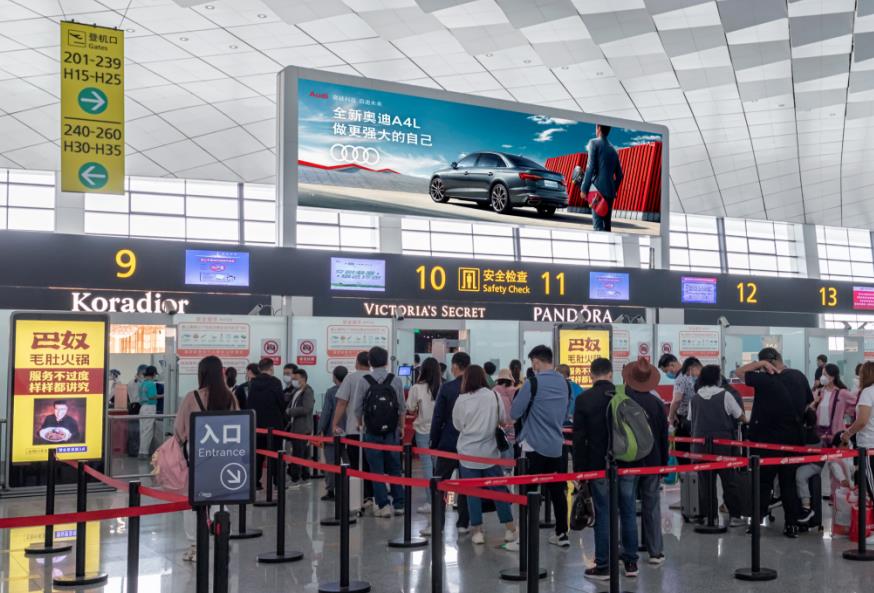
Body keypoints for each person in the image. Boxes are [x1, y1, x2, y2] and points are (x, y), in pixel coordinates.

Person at [573, 357, 639, 579]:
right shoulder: (626, 395)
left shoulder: (584, 399)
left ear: (591, 375)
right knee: (628, 511)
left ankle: (603, 565)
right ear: (611, 374)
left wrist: (580, 472)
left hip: (598, 465)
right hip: (627, 463)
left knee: (603, 513)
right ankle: (631, 563)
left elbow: (579, 439)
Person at [737, 347, 812, 537]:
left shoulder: (764, 379)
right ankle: (791, 525)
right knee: (788, 483)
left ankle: (756, 523)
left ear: (767, 364)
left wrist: (761, 364)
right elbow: (808, 405)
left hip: (766, 442)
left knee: (763, 483)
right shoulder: (799, 377)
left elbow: (739, 372)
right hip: (793, 440)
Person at [175, 355, 239, 561]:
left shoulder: (192, 397)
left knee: (193, 501)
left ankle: (195, 546)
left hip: (197, 457)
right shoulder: (230, 397)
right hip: (224, 456)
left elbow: (179, 430)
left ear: (201, 374)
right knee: (218, 496)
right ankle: (224, 533)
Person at [510, 345, 570, 548]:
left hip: (532, 446)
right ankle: (562, 534)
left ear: (536, 361)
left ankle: (523, 537)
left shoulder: (532, 383)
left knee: (528, 493)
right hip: (556, 446)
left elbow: (515, 413)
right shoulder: (564, 383)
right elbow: (564, 414)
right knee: (558, 492)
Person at [452, 365, 517, 546]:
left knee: (472, 493)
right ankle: (509, 528)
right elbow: (503, 419)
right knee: (499, 491)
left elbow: (457, 425)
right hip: (490, 453)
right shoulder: (493, 396)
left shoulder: (462, 400)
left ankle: (477, 531)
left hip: (467, 453)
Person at [623, 358, 669, 565]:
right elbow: (663, 437)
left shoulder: (621, 401)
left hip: (627, 461)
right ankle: (655, 552)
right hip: (652, 461)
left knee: (627, 507)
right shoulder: (656, 404)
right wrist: (663, 464)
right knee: (652, 506)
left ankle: (627, 551)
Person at [352, 346, 406, 517]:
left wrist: (360, 424)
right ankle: (399, 504)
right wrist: (401, 427)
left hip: (371, 432)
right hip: (391, 432)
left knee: (376, 470)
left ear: (370, 362)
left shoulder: (364, 380)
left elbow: (357, 408)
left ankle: (383, 506)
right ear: (386, 360)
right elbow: (402, 407)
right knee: (395, 468)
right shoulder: (395, 380)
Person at [690, 364, 746, 527]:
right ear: (717, 378)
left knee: (705, 484)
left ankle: (711, 517)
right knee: (729, 481)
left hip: (700, 447)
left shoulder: (695, 398)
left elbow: (691, 419)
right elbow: (740, 416)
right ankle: (735, 516)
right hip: (723, 447)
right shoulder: (725, 395)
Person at [425, 351, 472, 536]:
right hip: (470, 444)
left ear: (454, 366)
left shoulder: (447, 388)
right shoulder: (478, 389)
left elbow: (438, 418)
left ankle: (438, 524)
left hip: (448, 443)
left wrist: (433, 441)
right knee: (466, 484)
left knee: (440, 483)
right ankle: (464, 523)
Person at [333, 351, 375, 508]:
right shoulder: (376, 377)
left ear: (357, 362)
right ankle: (373, 496)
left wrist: (334, 424)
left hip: (354, 429)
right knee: (372, 464)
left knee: (356, 465)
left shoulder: (351, 378)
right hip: (374, 430)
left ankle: (360, 497)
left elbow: (342, 403)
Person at [406, 357, 442, 513]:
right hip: (439, 431)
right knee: (439, 466)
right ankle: (444, 500)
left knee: (427, 466)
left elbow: (410, 408)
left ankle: (430, 501)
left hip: (422, 431)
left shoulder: (417, 388)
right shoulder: (443, 387)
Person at [247, 357, 287, 491]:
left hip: (257, 425)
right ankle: (277, 481)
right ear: (271, 368)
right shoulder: (275, 382)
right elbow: (281, 402)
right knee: (276, 454)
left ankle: (255, 482)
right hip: (274, 425)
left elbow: (250, 403)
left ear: (259, 369)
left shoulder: (253, 383)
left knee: (258, 454)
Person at [842, 361, 874, 515]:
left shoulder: (868, 392)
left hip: (869, 444)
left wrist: (848, 433)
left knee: (872, 487)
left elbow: (862, 421)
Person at [579, 123, 623, 231]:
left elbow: (590, 167)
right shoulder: (614, 150)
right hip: (610, 193)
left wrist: (584, 189)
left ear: (598, 128)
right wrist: (614, 189)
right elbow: (620, 175)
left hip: (597, 192)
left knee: (598, 227)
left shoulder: (594, 143)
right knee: (607, 227)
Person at [319, 365, 348, 501]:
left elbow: (326, 412)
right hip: (349, 433)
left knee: (331, 463)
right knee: (349, 461)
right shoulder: (351, 390)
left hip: (332, 433)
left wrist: (320, 429)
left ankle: (331, 490)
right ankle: (350, 488)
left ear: (334, 377)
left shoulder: (331, 392)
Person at [812, 363, 854, 445]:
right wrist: (815, 402)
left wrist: (845, 411)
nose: (822, 377)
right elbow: (810, 410)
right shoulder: (818, 392)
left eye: (825, 374)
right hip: (819, 433)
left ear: (832, 377)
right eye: (822, 374)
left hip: (836, 434)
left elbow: (857, 406)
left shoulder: (842, 393)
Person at [286, 368, 315, 485]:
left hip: (302, 428)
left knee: (299, 454)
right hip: (294, 427)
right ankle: (303, 476)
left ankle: (296, 478)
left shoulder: (308, 391)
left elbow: (307, 408)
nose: (293, 381)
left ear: (303, 379)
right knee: (299, 453)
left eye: (295, 379)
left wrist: (290, 411)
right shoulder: (296, 391)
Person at [493, 368, 518, 463]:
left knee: (499, 442)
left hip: (498, 423)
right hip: (511, 423)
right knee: (510, 444)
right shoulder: (513, 390)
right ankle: (508, 466)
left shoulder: (494, 390)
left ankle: (499, 464)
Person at [138, 365, 162, 459]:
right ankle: (144, 453)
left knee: (143, 430)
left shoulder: (142, 383)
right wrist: (163, 395)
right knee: (148, 431)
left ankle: (141, 452)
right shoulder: (151, 384)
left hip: (143, 408)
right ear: (153, 374)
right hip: (150, 408)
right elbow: (152, 396)